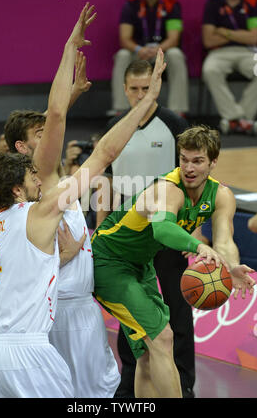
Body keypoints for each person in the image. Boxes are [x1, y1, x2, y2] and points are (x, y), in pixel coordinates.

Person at [0, 6, 167, 398]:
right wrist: (145, 104)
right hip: (46, 326)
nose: (49, 137)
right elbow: (77, 132)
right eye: (39, 136)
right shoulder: (44, 202)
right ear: (20, 181)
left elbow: (57, 119)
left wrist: (60, 257)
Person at [92, 124, 256, 398]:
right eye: (184, 160)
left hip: (140, 266)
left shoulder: (221, 195)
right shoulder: (168, 189)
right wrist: (197, 246)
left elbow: (225, 240)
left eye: (198, 161)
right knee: (163, 338)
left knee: (147, 354)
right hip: (108, 260)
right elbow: (162, 229)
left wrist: (231, 266)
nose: (189, 168)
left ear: (213, 162)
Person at [4, 63, 120, 397]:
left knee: (96, 387)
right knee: (79, 392)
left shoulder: (55, 181)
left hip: (80, 306)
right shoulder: (29, 196)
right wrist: (62, 258)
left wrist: (73, 94)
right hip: (58, 310)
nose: (52, 139)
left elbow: (48, 124)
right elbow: (25, 267)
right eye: (39, 139)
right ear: (22, 149)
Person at [98, 58, 195, 398]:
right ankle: (133, 386)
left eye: (146, 88)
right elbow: (104, 184)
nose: (140, 96)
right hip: (128, 236)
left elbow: (192, 180)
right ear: (124, 90)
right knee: (135, 320)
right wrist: (98, 230)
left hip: (166, 232)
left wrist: (196, 231)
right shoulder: (115, 128)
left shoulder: (174, 125)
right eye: (134, 89)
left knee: (176, 313)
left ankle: (182, 383)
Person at [109, 0, 189, 117]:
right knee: (122, 55)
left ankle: (177, 111)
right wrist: (139, 49)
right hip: (139, 52)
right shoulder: (130, 6)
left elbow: (174, 39)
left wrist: (157, 50)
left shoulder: (172, 5)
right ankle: (121, 111)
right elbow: (124, 38)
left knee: (176, 55)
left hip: (162, 52)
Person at [202, 0, 257, 135]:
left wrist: (225, 32)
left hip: (248, 51)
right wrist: (241, 35)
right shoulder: (213, 4)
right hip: (219, 52)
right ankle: (240, 119)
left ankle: (237, 120)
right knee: (210, 70)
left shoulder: (252, 2)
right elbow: (208, 40)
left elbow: (254, 38)